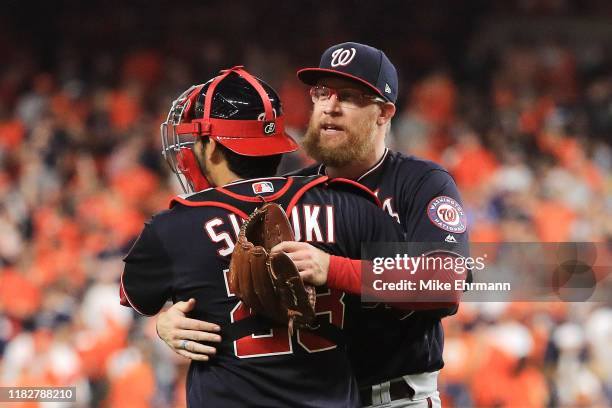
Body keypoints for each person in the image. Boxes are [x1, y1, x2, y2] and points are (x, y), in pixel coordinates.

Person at [155, 44, 470, 407]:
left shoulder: (420, 183)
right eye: (322, 93)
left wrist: (331, 268)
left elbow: (444, 282)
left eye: (349, 97)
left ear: (384, 113)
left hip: (393, 396)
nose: (329, 106)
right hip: (314, 397)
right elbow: (238, 282)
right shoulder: (292, 190)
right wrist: (171, 322)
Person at [120, 66, 404, 407]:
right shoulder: (348, 202)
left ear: (211, 146)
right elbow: (438, 285)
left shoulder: (173, 228)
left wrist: (163, 324)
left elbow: (137, 300)